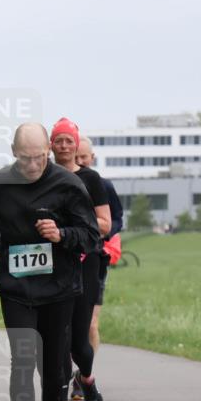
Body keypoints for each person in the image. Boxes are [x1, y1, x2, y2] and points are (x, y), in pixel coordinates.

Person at [0, 123, 99, 401]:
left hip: (59, 288)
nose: (33, 165)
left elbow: (90, 236)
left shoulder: (69, 184)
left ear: (48, 151)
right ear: (13, 151)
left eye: (39, 157)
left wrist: (61, 234)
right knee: (23, 360)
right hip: (17, 288)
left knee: (53, 365)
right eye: (26, 158)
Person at [49, 118, 109, 401]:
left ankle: (86, 377)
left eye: (68, 141)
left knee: (78, 341)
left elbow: (105, 224)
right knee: (57, 336)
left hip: (86, 261)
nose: (63, 146)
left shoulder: (91, 179)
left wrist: (69, 227)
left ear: (76, 146)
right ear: (50, 145)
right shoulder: (42, 178)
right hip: (53, 264)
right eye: (57, 140)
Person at [77, 137, 124, 357]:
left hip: (96, 259)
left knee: (90, 324)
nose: (79, 161)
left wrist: (103, 234)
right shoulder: (58, 184)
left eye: (83, 157)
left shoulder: (103, 185)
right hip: (68, 261)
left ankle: (85, 375)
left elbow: (117, 219)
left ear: (92, 158)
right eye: (75, 157)